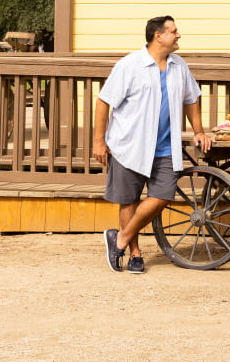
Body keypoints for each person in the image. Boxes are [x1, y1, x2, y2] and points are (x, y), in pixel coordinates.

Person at [93, 15, 211, 273]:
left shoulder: (179, 66)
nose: (178, 35)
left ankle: (120, 238)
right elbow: (104, 101)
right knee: (129, 200)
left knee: (162, 196)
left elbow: (191, 99)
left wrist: (199, 131)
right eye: (174, 31)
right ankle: (135, 253)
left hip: (166, 148)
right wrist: (99, 141)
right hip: (129, 145)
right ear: (158, 36)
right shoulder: (129, 65)